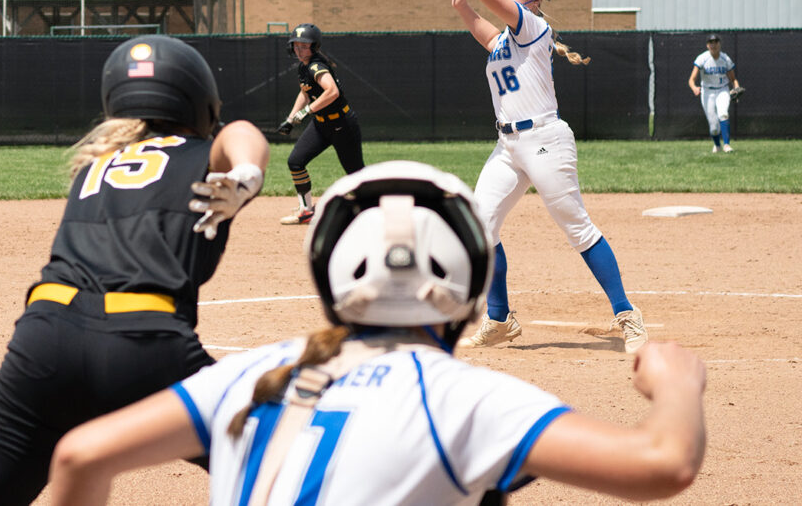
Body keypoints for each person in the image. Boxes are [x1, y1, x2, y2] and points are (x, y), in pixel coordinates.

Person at [49, 161, 707, 506]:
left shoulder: (258, 373)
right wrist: (676, 385)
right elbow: (664, 465)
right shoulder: (461, 396)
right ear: (469, 289)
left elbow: (79, 454)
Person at [0, 35, 269, 505]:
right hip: (144, 345)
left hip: (42, 343)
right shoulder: (201, 155)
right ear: (200, 100)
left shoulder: (94, 164)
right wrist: (246, 175)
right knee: (286, 457)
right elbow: (241, 134)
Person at [431, 0, 648, 353]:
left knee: (576, 227)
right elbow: (480, 23)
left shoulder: (532, 28)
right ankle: (499, 320)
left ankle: (627, 315)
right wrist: (462, 6)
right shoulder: (502, 42)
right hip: (508, 144)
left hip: (546, 139)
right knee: (480, 226)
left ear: (534, 1)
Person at [276, 22, 364, 225]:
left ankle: (375, 207)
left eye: (304, 46)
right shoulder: (303, 66)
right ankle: (306, 210)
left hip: (342, 125)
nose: (299, 50)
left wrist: (307, 112)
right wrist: (291, 118)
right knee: (295, 162)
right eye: (296, 45)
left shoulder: (316, 66)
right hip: (321, 125)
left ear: (314, 47)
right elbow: (305, 92)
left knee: (356, 173)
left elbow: (332, 92)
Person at [688, 33, 741, 153]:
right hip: (707, 92)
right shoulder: (702, 58)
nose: (714, 45)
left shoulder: (725, 59)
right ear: (707, 45)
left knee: (723, 113)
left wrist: (736, 89)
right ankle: (717, 145)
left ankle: (726, 145)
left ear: (720, 44)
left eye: (716, 42)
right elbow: (691, 79)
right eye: (711, 42)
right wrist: (694, 88)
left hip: (722, 89)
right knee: (713, 127)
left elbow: (733, 79)